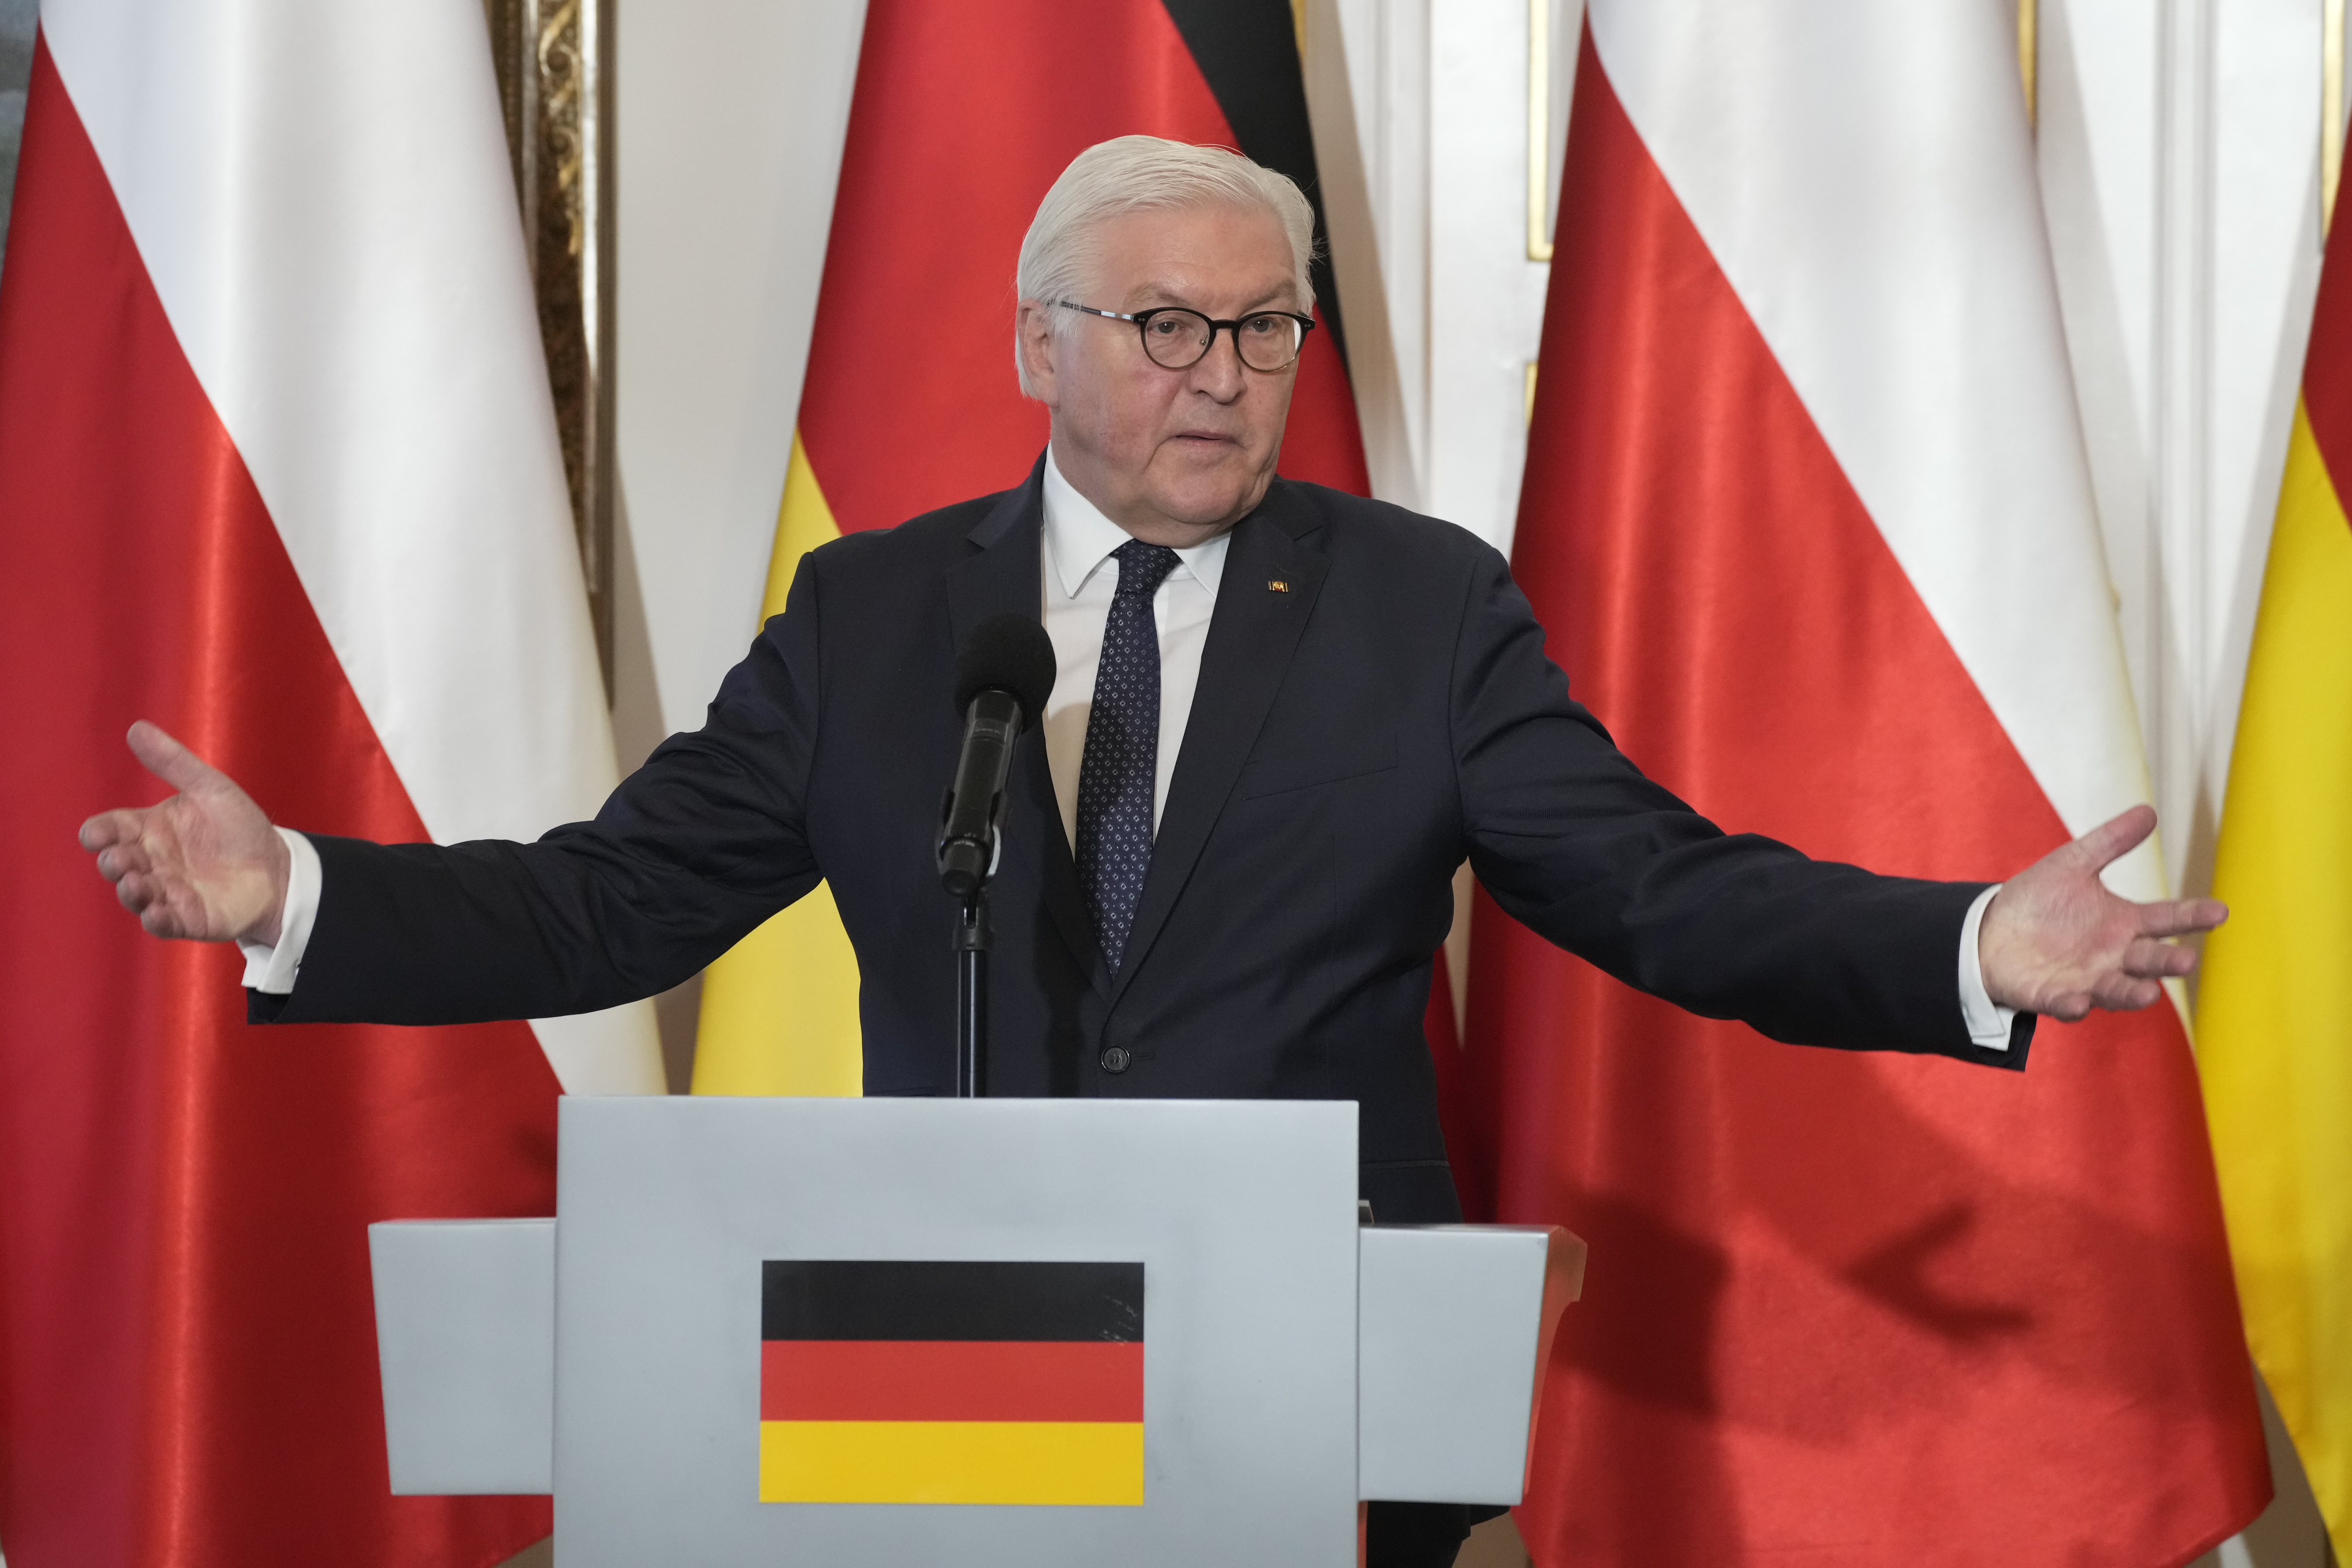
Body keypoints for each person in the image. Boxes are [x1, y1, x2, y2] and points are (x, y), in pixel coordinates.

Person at [78, 136, 2218, 1568]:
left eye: (1266, 325)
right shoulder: (876, 617)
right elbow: (610, 899)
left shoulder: (1417, 605)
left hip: (1306, 1367)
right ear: (1039, 346)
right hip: (944, 1375)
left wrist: (1967, 944)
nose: (1225, 374)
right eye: (1166, 325)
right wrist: (302, 893)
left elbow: (1654, 883)